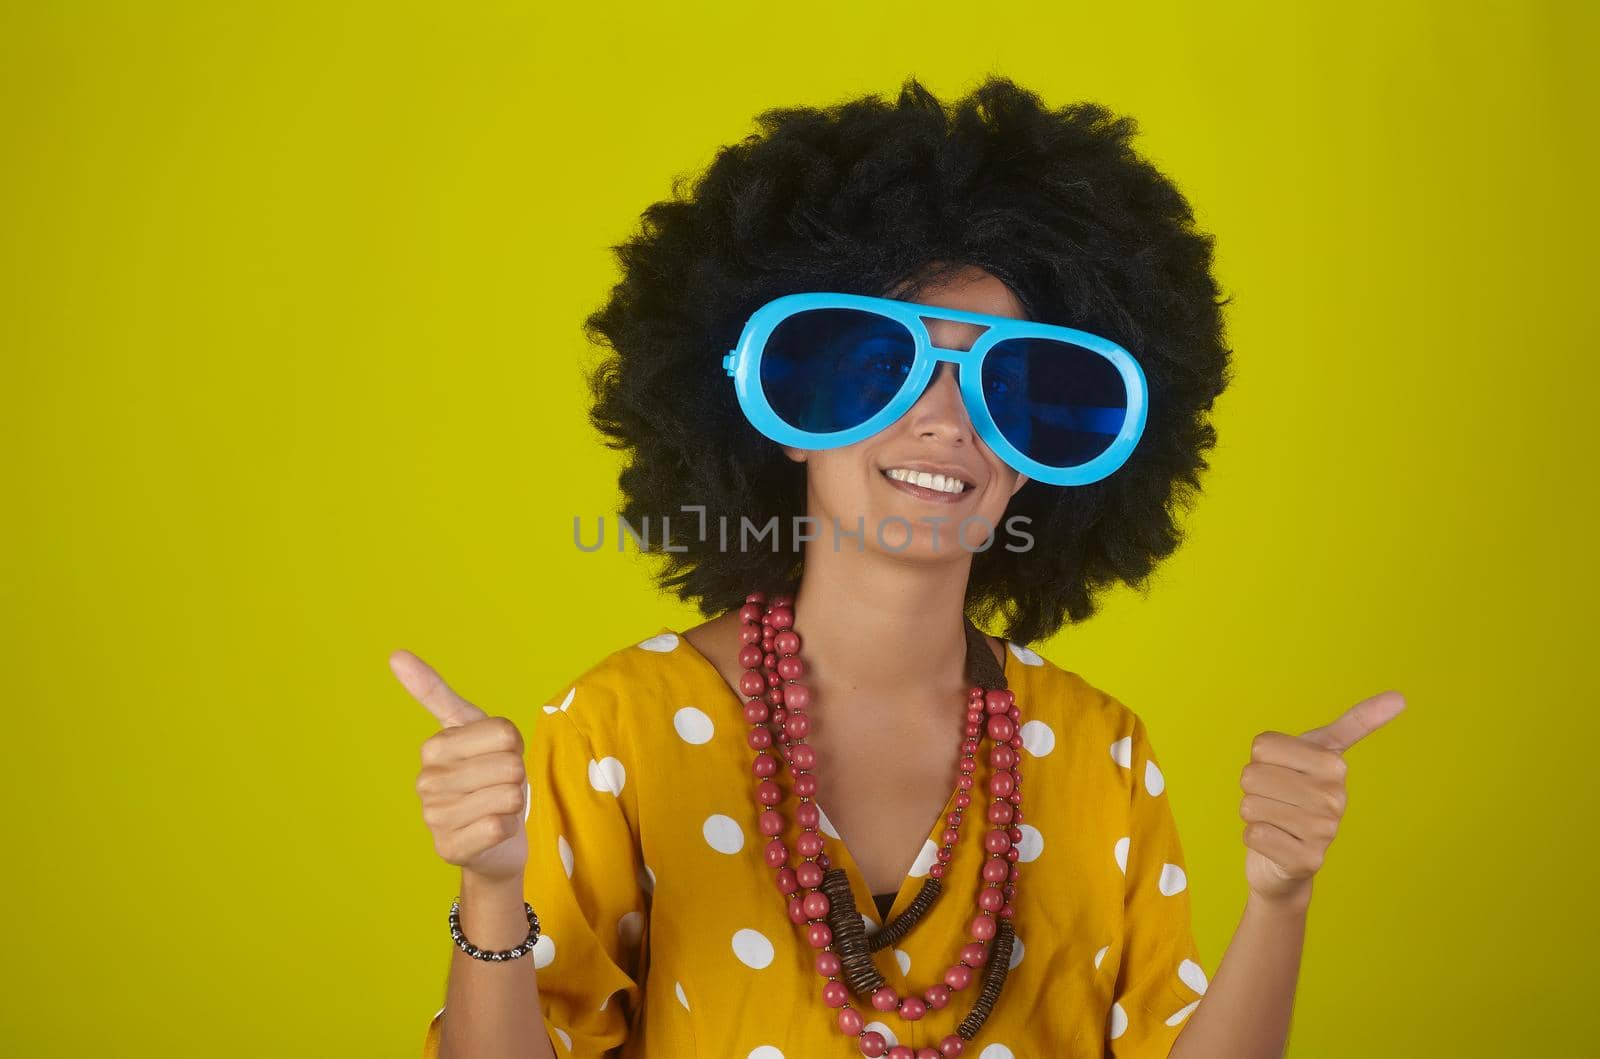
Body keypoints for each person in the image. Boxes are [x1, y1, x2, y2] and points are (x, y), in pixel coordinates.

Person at [393, 75, 1404, 1059]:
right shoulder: (622, 727)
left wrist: (1280, 900)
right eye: (876, 365)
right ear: (785, 419)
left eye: (1010, 384)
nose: (944, 418)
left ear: (1033, 463)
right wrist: (490, 889)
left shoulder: (1100, 754)